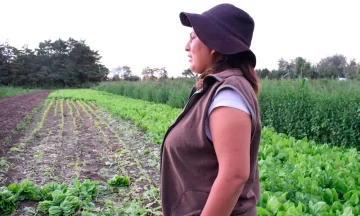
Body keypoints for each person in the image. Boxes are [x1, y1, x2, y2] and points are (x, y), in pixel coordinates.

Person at [160, 3, 262, 216]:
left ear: (214, 43)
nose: (187, 46)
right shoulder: (216, 88)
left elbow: (234, 176)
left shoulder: (228, 93)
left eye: (193, 37)